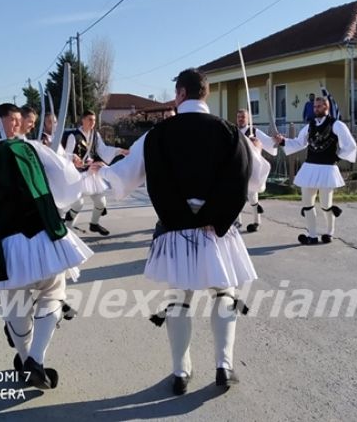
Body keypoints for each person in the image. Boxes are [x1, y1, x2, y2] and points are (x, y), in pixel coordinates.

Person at [96, 69, 270, 395]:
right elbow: (255, 179)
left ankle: (180, 372)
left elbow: (124, 176)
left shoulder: (157, 135)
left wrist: (98, 171)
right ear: (205, 94)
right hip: (217, 229)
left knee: (179, 301)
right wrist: (256, 151)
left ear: (179, 94)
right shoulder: (232, 132)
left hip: (176, 229)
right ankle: (224, 366)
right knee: (224, 295)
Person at [0, 103, 93, 390]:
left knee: (15, 305)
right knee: (53, 293)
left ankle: (26, 357)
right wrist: (58, 202)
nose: (18, 125)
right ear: (3, 122)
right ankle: (36, 360)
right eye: (14, 120)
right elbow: (68, 181)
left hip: (4, 250)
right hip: (42, 238)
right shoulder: (31, 150)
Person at [274, 96, 357, 244]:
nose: (316, 109)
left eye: (319, 106)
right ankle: (312, 235)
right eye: (314, 107)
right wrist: (283, 141)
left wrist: (337, 157)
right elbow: (300, 143)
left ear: (327, 108)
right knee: (307, 203)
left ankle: (329, 233)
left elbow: (350, 145)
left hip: (327, 169)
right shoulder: (309, 126)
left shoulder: (337, 125)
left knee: (326, 205)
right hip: (309, 168)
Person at [61, 110, 128, 236]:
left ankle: (94, 224)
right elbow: (66, 154)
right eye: (90, 120)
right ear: (83, 120)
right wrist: (74, 158)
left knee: (101, 202)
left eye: (94, 120)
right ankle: (67, 231)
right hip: (78, 175)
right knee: (78, 204)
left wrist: (120, 151)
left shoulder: (95, 135)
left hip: (92, 172)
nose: (93, 123)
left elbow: (103, 150)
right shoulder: (73, 136)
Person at [235, 108, 277, 232]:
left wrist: (275, 140)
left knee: (252, 195)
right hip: (238, 167)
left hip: (251, 167)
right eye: (239, 116)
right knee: (236, 195)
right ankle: (237, 220)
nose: (240, 119)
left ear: (248, 119)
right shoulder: (234, 131)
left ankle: (256, 221)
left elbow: (269, 143)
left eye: (243, 117)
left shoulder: (254, 131)